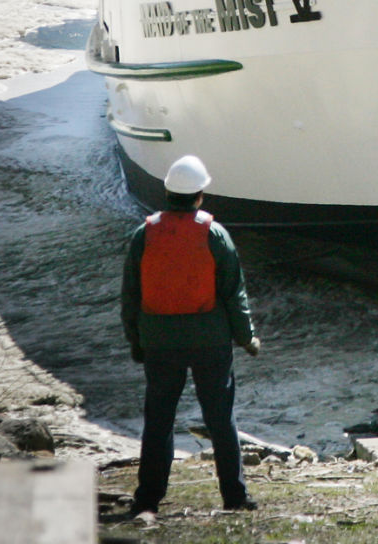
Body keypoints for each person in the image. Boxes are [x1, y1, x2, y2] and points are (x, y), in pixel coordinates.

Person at [122, 155, 261, 518]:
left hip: (160, 342)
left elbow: (131, 295)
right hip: (210, 342)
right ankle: (234, 497)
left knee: (159, 420)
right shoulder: (215, 234)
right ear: (200, 195)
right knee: (221, 420)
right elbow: (234, 293)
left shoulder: (144, 234)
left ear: (168, 192)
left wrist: (136, 341)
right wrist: (247, 338)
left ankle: (147, 499)